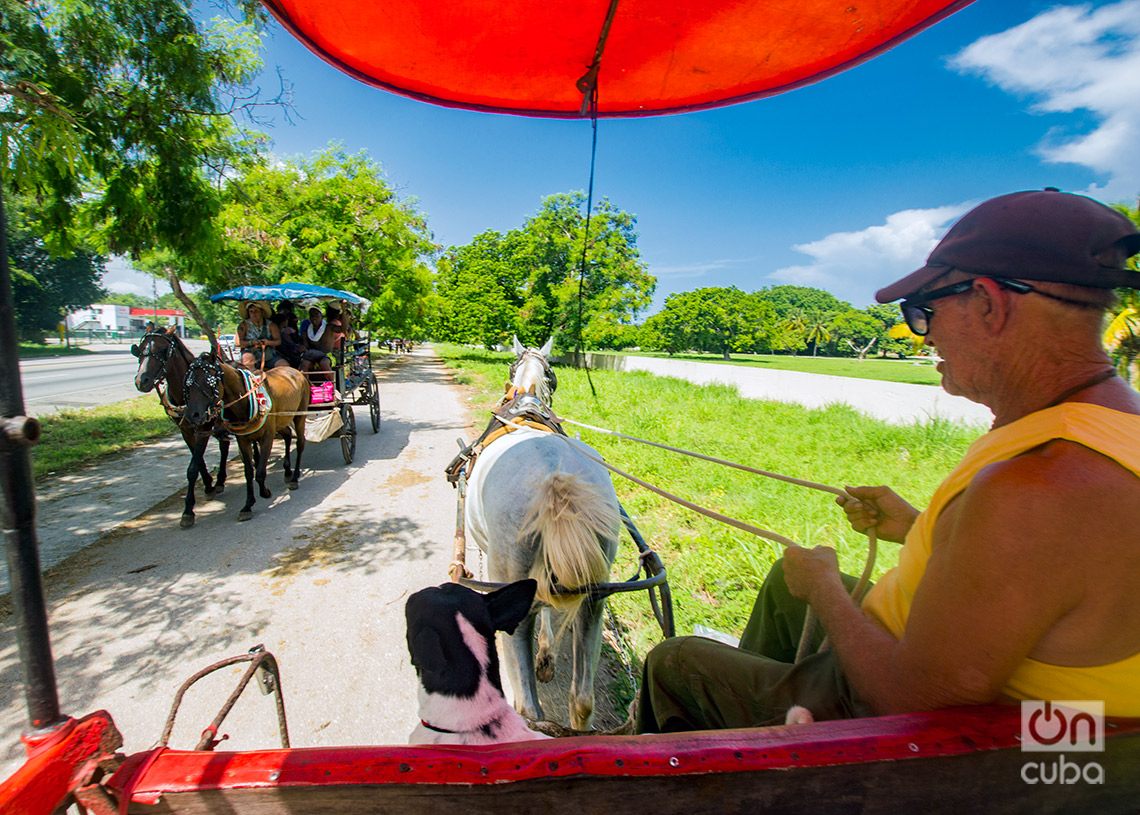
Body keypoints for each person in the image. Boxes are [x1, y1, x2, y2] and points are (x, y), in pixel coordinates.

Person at [635, 188, 1140, 733]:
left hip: (891, 712)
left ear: (991, 304)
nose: (925, 333)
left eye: (925, 311)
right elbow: (1043, 568)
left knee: (676, 661)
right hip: (935, 652)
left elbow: (916, 700)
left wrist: (827, 590)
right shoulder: (1102, 422)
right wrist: (919, 529)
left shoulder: (1042, 483)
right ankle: (762, 713)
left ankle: (754, 755)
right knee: (787, 583)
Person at [237, 301, 289, 370]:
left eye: (256, 311)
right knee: (248, 362)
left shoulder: (271, 325)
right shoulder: (243, 325)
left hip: (269, 353)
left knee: (284, 365)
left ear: (262, 312)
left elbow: (278, 341)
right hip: (250, 352)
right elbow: (238, 343)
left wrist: (268, 342)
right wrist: (252, 342)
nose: (254, 314)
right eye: (251, 311)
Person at [299, 305, 336, 382]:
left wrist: (343, 308)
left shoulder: (329, 328)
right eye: (312, 315)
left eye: (316, 315)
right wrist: (302, 348)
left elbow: (343, 328)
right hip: (312, 357)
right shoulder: (306, 332)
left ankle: (333, 385)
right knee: (304, 363)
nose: (314, 317)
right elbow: (306, 347)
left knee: (324, 363)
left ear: (321, 316)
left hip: (328, 356)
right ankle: (304, 386)